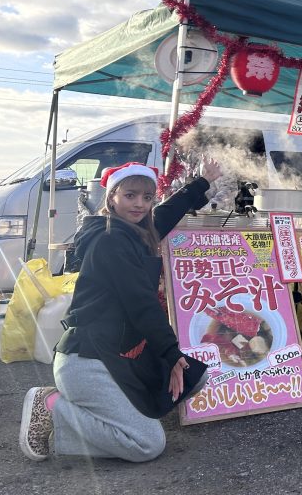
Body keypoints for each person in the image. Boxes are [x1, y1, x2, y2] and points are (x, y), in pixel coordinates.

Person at [19, 159, 221, 463]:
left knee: (195, 376)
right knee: (147, 445)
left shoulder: (135, 230)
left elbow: (165, 214)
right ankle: (52, 405)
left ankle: (120, 418)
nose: (139, 204)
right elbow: (141, 303)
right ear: (111, 197)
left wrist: (201, 182)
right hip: (89, 361)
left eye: (147, 197)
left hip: (124, 355)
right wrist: (170, 351)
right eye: (130, 195)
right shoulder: (110, 240)